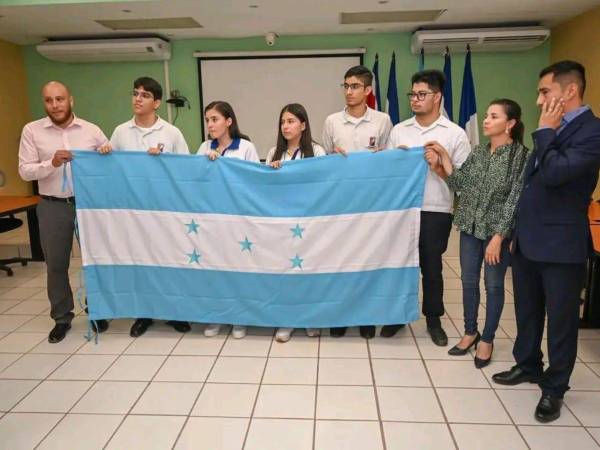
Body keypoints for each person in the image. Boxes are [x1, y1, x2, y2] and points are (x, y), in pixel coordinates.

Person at [492, 61, 600, 423]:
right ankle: (527, 365)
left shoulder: (591, 132)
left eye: (544, 92)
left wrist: (546, 132)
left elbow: (555, 174)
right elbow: (530, 185)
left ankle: (554, 389)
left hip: (562, 245)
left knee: (561, 322)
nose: (539, 101)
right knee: (527, 311)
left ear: (569, 91)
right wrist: (513, 234)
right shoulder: (550, 129)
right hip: (528, 241)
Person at [426, 99, 529, 367]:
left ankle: (488, 339)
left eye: (493, 116)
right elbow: (461, 184)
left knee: (494, 286)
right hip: (470, 227)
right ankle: (471, 332)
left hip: (497, 233)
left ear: (510, 124)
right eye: (486, 115)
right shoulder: (479, 152)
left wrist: (499, 237)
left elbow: (515, 200)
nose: (485, 120)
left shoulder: (520, 157)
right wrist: (443, 161)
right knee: (468, 282)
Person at [99, 76, 191, 338]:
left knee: (169, 260)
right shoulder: (120, 132)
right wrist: (103, 153)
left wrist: (165, 161)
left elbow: (186, 170)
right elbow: (110, 168)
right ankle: (144, 313)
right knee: (141, 261)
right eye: (135, 93)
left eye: (145, 95)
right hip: (133, 211)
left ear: (157, 102)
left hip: (165, 210)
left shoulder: (171, 133)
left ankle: (174, 311)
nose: (138, 98)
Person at [18, 81, 110, 343]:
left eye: (60, 99)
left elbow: (109, 161)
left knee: (94, 260)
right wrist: (52, 163)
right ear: (44, 102)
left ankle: (98, 311)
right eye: (49, 100)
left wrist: (106, 152)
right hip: (52, 205)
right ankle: (61, 318)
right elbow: (25, 170)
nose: (55, 105)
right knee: (56, 265)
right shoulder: (32, 131)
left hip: (87, 206)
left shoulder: (91, 130)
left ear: (71, 100)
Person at [386, 69, 471, 345]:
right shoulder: (399, 130)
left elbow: (465, 180)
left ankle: (433, 319)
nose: (415, 99)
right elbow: (387, 172)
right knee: (399, 265)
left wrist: (439, 165)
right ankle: (397, 316)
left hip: (436, 209)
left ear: (437, 97)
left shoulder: (454, 133)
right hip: (402, 211)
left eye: (422, 94)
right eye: (412, 94)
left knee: (431, 268)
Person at [322, 65, 393, 339]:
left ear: (367, 90)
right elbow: (325, 160)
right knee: (340, 260)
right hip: (339, 204)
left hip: (370, 204)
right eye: (345, 86)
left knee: (367, 260)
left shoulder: (382, 120)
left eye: (354, 87)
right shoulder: (332, 121)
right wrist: (332, 156)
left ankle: (366, 316)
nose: (349, 92)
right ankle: (340, 315)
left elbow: (388, 161)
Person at [198, 100, 259, 339]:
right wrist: (206, 165)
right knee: (214, 268)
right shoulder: (204, 147)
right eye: (207, 120)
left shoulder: (246, 147)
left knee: (238, 268)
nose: (210, 125)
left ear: (229, 121)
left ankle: (239, 317)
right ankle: (216, 315)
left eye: (215, 119)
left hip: (238, 219)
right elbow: (194, 179)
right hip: (212, 219)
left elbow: (254, 180)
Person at [265, 103, 326, 342]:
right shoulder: (273, 153)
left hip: (310, 221)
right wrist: (273, 172)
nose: (285, 126)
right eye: (282, 122)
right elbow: (266, 189)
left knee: (309, 270)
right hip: (282, 222)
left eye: (290, 121)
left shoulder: (317, 152)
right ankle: (287, 320)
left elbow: (323, 183)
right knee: (285, 272)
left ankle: (311, 318)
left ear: (303, 124)